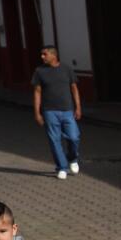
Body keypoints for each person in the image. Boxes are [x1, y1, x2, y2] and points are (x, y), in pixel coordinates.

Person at [32, 46, 83, 179]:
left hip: (67, 110)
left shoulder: (67, 69)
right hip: (49, 111)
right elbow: (37, 92)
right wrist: (37, 112)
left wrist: (78, 107)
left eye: (45, 54)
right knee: (54, 140)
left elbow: (74, 88)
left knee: (74, 137)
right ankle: (61, 167)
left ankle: (72, 158)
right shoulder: (39, 71)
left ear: (53, 55)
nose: (42, 57)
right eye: (41, 54)